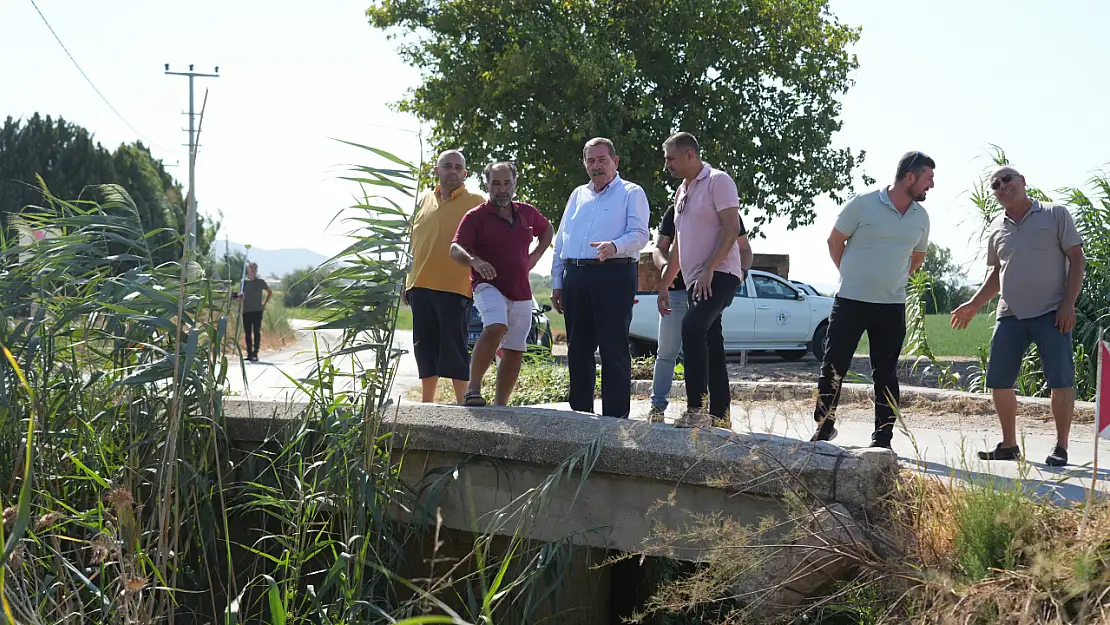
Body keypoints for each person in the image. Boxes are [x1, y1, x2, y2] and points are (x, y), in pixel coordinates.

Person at [951, 166, 1084, 466]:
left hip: (1052, 312)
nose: (1002, 186)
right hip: (1009, 315)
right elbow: (996, 274)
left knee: (1060, 380)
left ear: (1023, 181)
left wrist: (1068, 304)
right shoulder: (996, 228)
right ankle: (1009, 446)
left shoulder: (1055, 214)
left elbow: (1077, 258)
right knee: (999, 381)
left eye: (1007, 179)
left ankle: (1061, 447)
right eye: (995, 185)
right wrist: (972, 304)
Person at [810, 151, 934, 448]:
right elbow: (834, 241)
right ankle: (824, 426)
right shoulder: (863, 204)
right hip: (851, 301)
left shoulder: (921, 217)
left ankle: (883, 438)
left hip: (891, 306)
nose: (931, 185)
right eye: (928, 178)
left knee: (886, 374)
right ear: (910, 177)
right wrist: (850, 275)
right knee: (833, 366)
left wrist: (893, 279)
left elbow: (918, 256)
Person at [656, 132, 752, 427]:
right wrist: (664, 284)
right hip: (697, 278)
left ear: (690, 155)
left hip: (721, 274)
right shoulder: (681, 192)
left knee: (692, 326)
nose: (667, 165)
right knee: (712, 341)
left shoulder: (718, 181)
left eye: (671, 159)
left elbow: (730, 229)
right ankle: (720, 416)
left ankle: (696, 410)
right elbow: (679, 248)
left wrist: (711, 267)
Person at [551, 138, 650, 418]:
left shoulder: (632, 193)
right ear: (584, 164)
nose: (596, 166)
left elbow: (641, 235)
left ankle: (614, 418)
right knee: (578, 349)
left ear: (615, 162)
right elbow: (561, 241)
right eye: (591, 161)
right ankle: (580, 414)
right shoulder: (577, 195)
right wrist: (558, 282)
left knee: (613, 348)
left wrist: (615, 245)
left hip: (614, 274)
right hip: (576, 276)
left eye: (602, 160)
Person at [451, 162, 553, 406]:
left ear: (515, 184)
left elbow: (547, 229)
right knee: (496, 326)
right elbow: (455, 249)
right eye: (496, 183)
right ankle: (472, 390)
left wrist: (536, 255)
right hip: (487, 286)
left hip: (521, 290)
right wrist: (474, 261)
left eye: (507, 183)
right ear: (487, 185)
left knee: (515, 349)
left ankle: (500, 406)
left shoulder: (527, 213)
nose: (502, 189)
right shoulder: (475, 217)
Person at [404, 149, 485, 404]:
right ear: (436, 171)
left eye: (458, 167)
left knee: (454, 348)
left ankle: (463, 405)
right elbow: (411, 244)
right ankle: (426, 404)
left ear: (465, 173)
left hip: (456, 286)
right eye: (447, 166)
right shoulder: (423, 199)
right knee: (424, 348)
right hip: (420, 284)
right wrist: (405, 282)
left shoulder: (476, 201)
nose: (453, 171)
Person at [238, 262, 272, 362]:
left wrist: (264, 304)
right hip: (246, 311)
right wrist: (239, 298)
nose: (252, 270)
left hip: (257, 311)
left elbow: (269, 292)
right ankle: (249, 353)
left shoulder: (260, 282)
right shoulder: (244, 282)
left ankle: (255, 353)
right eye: (251, 268)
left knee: (256, 332)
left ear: (256, 270)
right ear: (248, 269)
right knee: (247, 333)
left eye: (254, 269)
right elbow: (240, 297)